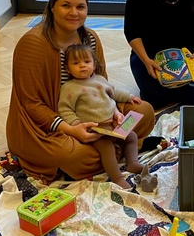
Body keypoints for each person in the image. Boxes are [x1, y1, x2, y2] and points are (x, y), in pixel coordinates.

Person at [6, 0, 155, 185]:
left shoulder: (90, 39)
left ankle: (109, 149)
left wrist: (115, 112)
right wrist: (71, 129)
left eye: (80, 7)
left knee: (144, 112)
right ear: (52, 7)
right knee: (74, 156)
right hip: (54, 123)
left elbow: (102, 84)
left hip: (97, 114)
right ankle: (114, 149)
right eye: (66, 5)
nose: (74, 13)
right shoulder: (32, 45)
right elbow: (31, 104)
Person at [58, 44, 156, 190]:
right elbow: (64, 108)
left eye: (87, 62)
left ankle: (132, 163)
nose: (82, 66)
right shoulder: (69, 88)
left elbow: (114, 92)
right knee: (107, 148)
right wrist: (76, 123)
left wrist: (129, 97)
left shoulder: (100, 79)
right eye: (76, 63)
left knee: (132, 136)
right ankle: (117, 178)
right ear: (67, 68)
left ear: (94, 64)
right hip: (95, 130)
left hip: (113, 124)